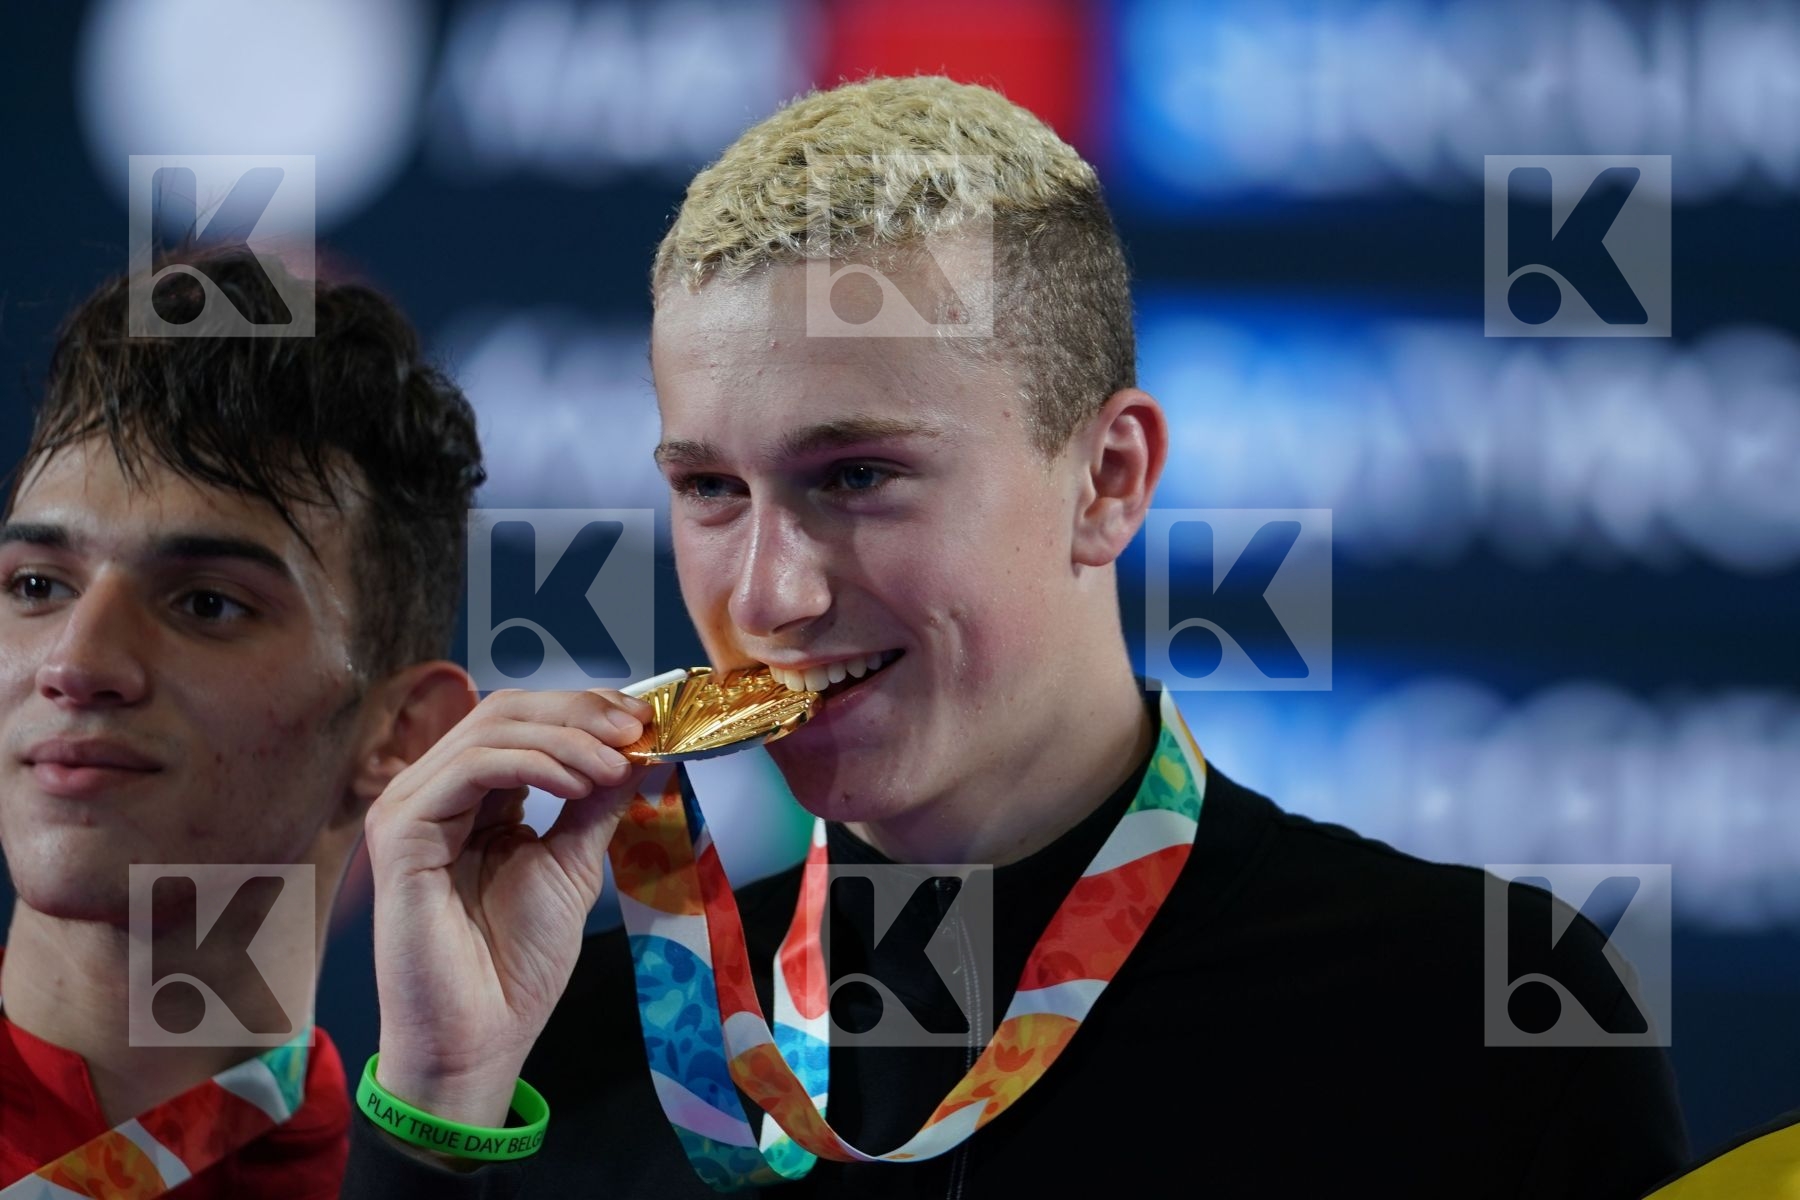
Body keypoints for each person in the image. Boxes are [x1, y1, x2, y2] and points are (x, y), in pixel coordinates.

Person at [343, 76, 1688, 1197]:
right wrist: (446, 1102)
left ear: (1107, 479)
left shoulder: (1469, 1015)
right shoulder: (572, 1049)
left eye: (857, 475)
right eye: (710, 489)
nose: (766, 596)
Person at [0, 249, 485, 1197]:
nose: (76, 663)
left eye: (207, 605)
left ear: (403, 737)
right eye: (37, 585)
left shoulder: (432, 1175)